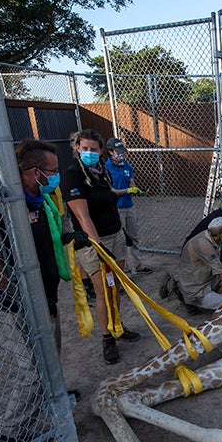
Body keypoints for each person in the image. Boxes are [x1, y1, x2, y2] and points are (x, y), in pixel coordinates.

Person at [0, 139, 80, 442]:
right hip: (15, 305)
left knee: (52, 357)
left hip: (46, 296)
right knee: (31, 371)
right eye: (53, 171)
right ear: (34, 172)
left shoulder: (40, 200)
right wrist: (26, 301)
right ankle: (10, 432)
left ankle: (53, 399)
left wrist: (70, 237)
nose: (57, 176)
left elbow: (50, 237)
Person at [63, 129, 140, 365]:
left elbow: (109, 199)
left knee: (116, 286)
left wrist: (121, 230)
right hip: (93, 241)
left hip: (114, 234)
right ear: (77, 148)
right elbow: (83, 216)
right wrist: (98, 247)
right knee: (103, 292)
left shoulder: (101, 170)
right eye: (84, 148)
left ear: (101, 151)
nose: (89, 152)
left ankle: (116, 326)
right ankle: (107, 338)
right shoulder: (73, 175)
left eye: (93, 149)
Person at [104, 137, 152, 274]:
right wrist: (126, 191)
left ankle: (137, 265)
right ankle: (124, 270)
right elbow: (110, 190)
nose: (121, 154)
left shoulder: (127, 166)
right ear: (110, 152)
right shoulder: (106, 168)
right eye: (118, 151)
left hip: (128, 205)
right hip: (117, 208)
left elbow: (132, 183)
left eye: (122, 151)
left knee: (134, 237)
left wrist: (137, 190)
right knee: (121, 240)